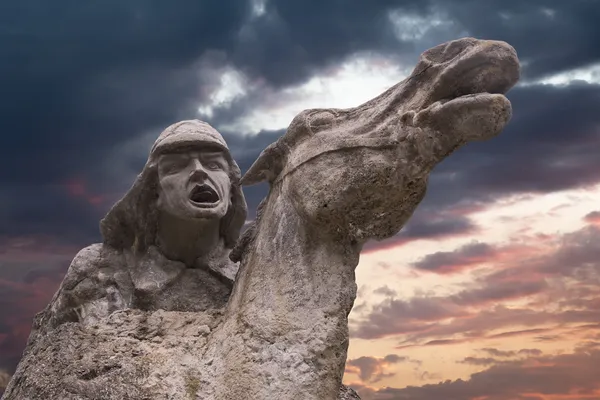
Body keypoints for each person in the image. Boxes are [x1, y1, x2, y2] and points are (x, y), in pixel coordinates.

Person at [37, 120, 247, 330]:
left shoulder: (251, 269)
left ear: (231, 190)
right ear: (154, 193)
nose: (199, 172)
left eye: (214, 165)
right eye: (176, 167)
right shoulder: (99, 271)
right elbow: (45, 350)